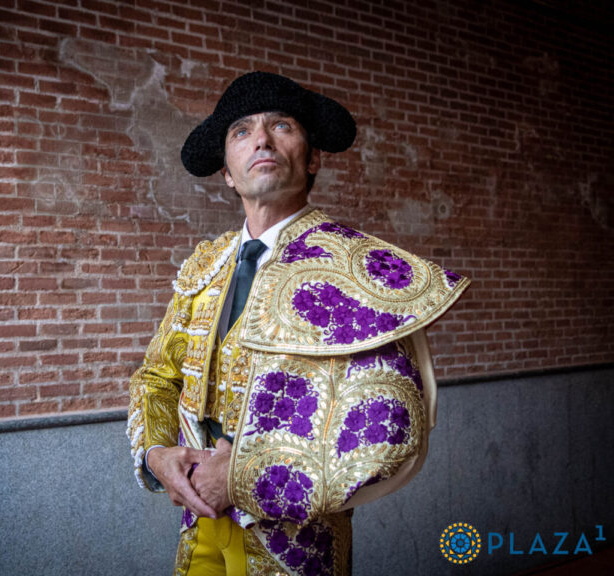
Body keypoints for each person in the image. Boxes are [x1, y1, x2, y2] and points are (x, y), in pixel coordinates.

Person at [127, 71, 469, 575]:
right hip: (196, 522)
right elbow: (155, 378)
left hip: (294, 544)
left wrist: (241, 478)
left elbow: (386, 432)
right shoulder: (205, 266)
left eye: (281, 125)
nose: (261, 138)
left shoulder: (359, 270)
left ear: (312, 158)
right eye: (241, 131)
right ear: (226, 171)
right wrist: (156, 454)